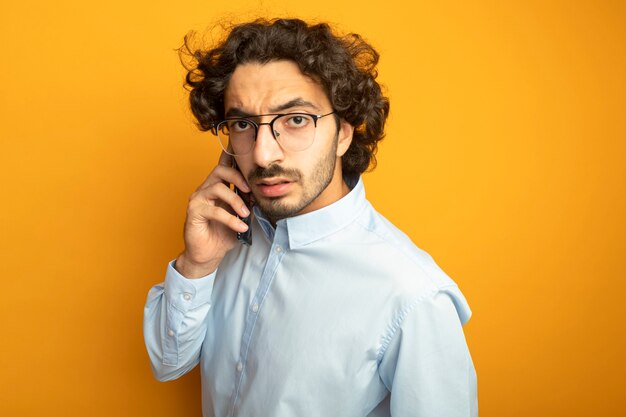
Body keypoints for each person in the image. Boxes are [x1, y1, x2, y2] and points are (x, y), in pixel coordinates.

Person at [143, 18, 477, 417]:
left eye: (296, 120)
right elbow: (167, 364)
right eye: (244, 124)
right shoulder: (227, 233)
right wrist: (196, 264)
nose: (264, 154)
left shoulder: (413, 297)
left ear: (343, 134)